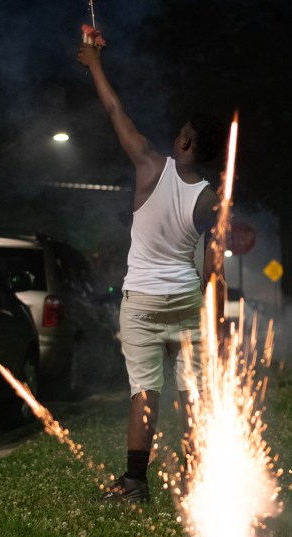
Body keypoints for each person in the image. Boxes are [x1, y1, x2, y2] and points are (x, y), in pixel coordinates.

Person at [77, 37, 227, 503]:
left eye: (180, 131)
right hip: (186, 301)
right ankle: (201, 479)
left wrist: (94, 62)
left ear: (185, 142)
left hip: (141, 301)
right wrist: (212, 314)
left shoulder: (148, 163)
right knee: (195, 393)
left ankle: (135, 483)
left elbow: (113, 109)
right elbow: (213, 264)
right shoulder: (210, 198)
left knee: (146, 390)